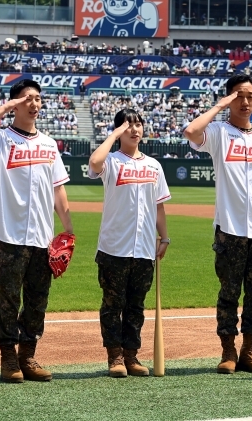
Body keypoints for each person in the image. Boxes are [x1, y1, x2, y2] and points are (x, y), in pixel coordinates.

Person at [0, 79, 74, 383]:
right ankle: (8, 359)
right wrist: (4, 108)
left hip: (43, 238)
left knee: (38, 299)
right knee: (8, 299)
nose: (34, 104)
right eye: (27, 98)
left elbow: (59, 191)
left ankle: (28, 355)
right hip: (9, 237)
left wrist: (68, 232)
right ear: (15, 104)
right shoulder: (1, 140)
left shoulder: (49, 144)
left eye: (38, 98)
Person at [183, 75, 252, 375]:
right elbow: (191, 131)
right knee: (229, 293)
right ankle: (228, 350)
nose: (245, 102)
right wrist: (220, 106)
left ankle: (250, 351)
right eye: (238, 96)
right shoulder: (218, 132)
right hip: (230, 231)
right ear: (230, 99)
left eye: (250, 96)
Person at [88, 109, 171, 378]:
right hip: (114, 248)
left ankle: (131, 355)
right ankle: (115, 357)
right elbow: (94, 162)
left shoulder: (154, 165)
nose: (134, 130)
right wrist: (114, 133)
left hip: (144, 249)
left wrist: (165, 236)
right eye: (128, 126)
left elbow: (159, 207)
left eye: (138, 125)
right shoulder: (112, 161)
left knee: (136, 306)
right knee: (113, 305)